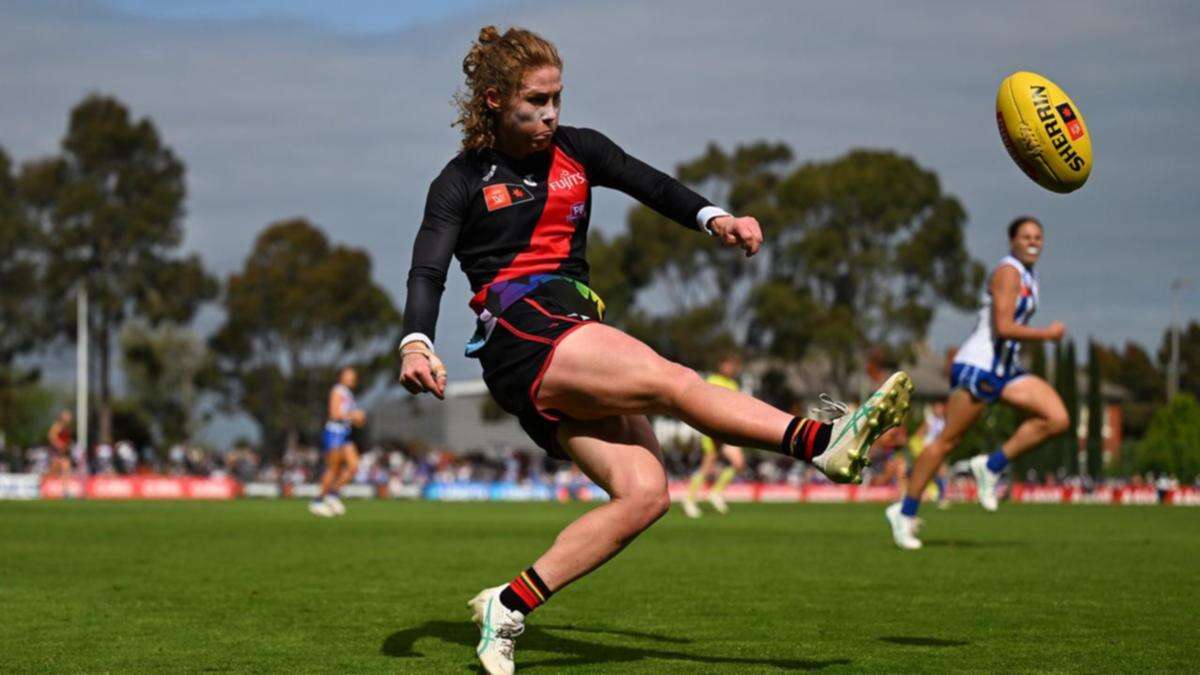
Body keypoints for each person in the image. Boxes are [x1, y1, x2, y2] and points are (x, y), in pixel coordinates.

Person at [399, 26, 912, 674]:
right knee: (673, 379)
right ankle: (817, 442)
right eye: (535, 101)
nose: (551, 113)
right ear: (496, 99)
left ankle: (507, 604)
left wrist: (715, 217)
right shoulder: (461, 180)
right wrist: (417, 341)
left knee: (644, 495)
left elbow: (652, 184)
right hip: (522, 333)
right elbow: (428, 271)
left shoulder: (578, 150)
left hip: (567, 327)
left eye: (557, 97)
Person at [885, 216, 1069, 550]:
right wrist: (1047, 335)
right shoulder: (1008, 272)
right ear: (1011, 241)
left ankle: (991, 465)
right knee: (946, 442)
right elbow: (1004, 326)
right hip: (980, 368)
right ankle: (904, 511)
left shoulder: (1029, 275)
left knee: (1057, 418)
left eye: (1038, 237)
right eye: (1026, 236)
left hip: (1005, 369)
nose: (1033, 241)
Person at [682, 351, 747, 518]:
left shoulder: (733, 384)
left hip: (727, 430)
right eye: (729, 364)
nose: (731, 368)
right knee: (708, 465)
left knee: (739, 463)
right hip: (711, 430)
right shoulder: (712, 381)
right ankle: (689, 500)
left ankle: (715, 493)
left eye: (734, 366)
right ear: (721, 365)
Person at [309, 367, 365, 517]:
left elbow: (349, 418)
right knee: (332, 469)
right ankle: (318, 501)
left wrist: (358, 420)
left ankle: (332, 494)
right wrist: (354, 415)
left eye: (353, 376)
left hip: (345, 434)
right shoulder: (337, 391)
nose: (352, 379)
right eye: (348, 376)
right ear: (341, 377)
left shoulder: (348, 394)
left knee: (353, 467)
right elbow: (334, 413)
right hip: (334, 433)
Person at [907, 400, 951, 509]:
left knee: (941, 472)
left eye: (940, 407)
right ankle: (936, 497)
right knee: (934, 472)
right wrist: (921, 449)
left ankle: (941, 497)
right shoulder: (930, 421)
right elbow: (918, 435)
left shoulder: (945, 421)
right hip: (928, 450)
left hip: (938, 450)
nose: (938, 410)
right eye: (936, 408)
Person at [47, 410, 74, 498]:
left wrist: (67, 446)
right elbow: (51, 436)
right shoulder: (57, 426)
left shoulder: (67, 427)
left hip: (63, 453)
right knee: (53, 471)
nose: (69, 418)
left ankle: (65, 491)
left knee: (66, 467)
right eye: (67, 416)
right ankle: (41, 485)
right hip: (56, 453)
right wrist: (59, 445)